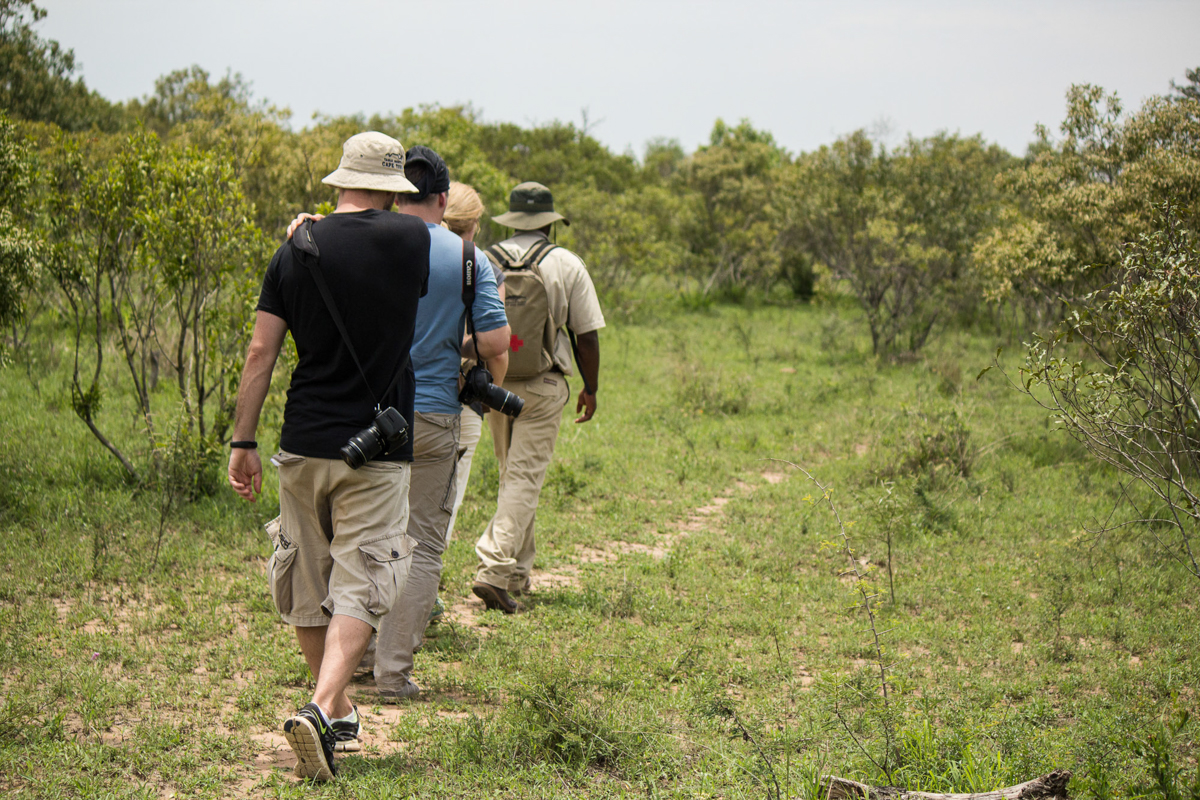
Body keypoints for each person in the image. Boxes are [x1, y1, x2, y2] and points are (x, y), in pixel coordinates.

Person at [227, 131, 429, 782]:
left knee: (309, 583)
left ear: (340, 180)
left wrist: (243, 440)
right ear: (396, 189)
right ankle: (319, 709)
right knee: (363, 581)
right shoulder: (412, 241)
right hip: (378, 446)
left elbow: (260, 354)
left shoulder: (295, 249)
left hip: (302, 440)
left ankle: (335, 712)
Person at [372, 151, 509, 701]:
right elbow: (498, 345)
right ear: (445, 200)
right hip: (433, 413)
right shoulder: (469, 258)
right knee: (423, 544)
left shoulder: (366, 243)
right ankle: (393, 673)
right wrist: (479, 383)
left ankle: (350, 658)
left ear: (393, 193)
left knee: (363, 539)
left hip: (369, 414)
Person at [472, 181, 604, 614]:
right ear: (549, 223)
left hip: (494, 380)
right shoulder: (565, 262)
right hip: (544, 385)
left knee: (514, 473)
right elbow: (585, 335)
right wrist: (591, 386)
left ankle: (517, 572)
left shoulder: (483, 258)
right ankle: (493, 570)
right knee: (523, 478)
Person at [443, 181, 507, 546]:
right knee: (444, 501)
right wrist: (484, 395)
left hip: (403, 394)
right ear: (475, 223)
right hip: (460, 398)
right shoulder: (481, 267)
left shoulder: (409, 252)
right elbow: (497, 347)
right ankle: (424, 590)